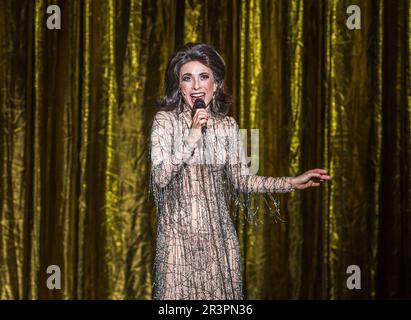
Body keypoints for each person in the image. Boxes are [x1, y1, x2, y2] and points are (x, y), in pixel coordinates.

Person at [149, 43, 331, 300]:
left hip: (219, 243)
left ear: (217, 83)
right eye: (187, 78)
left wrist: (292, 181)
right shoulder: (164, 122)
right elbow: (160, 177)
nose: (197, 86)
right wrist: (191, 137)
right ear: (179, 87)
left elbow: (243, 181)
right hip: (176, 245)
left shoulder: (228, 126)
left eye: (204, 76)